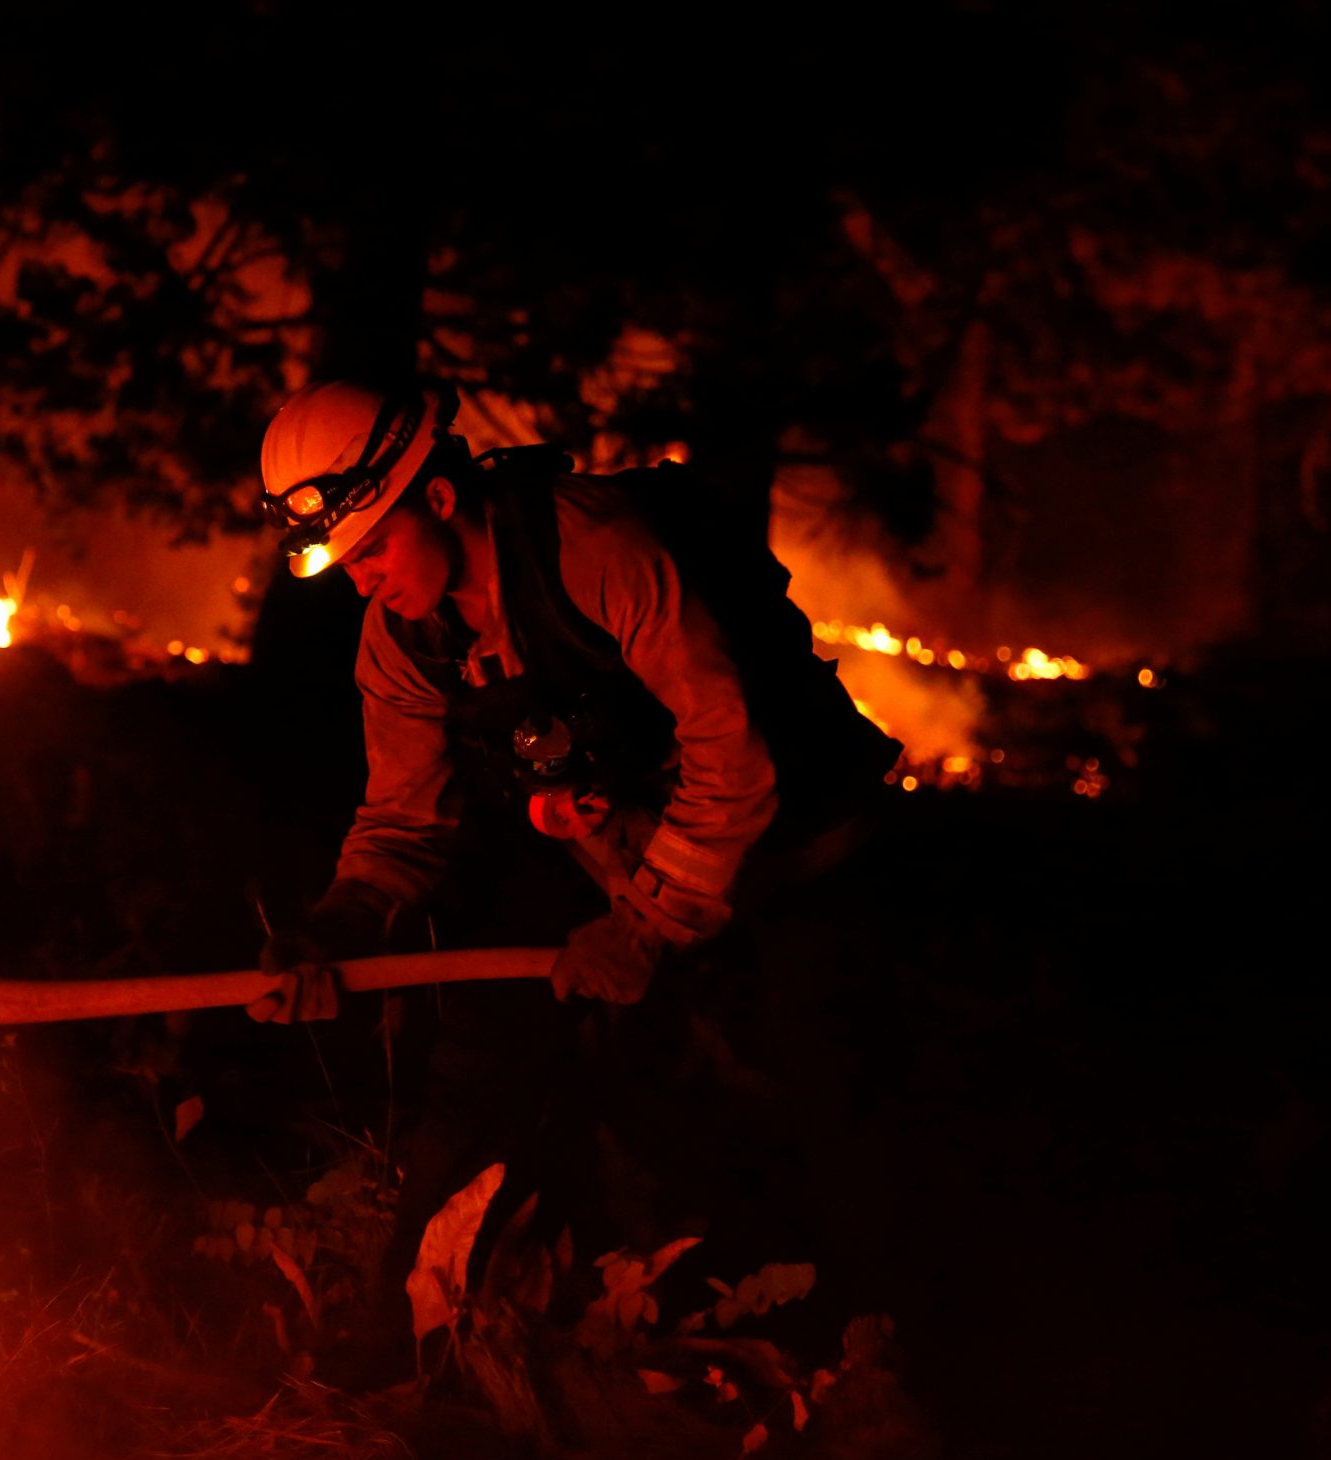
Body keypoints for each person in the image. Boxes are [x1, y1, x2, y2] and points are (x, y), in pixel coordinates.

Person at [249, 378, 899, 1022]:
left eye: (374, 550)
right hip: (661, 893)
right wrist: (333, 931)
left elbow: (728, 743)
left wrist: (645, 927)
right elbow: (403, 825)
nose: (365, 585)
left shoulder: (594, 551)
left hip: (808, 857)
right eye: (349, 566)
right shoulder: (402, 638)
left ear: (440, 497)